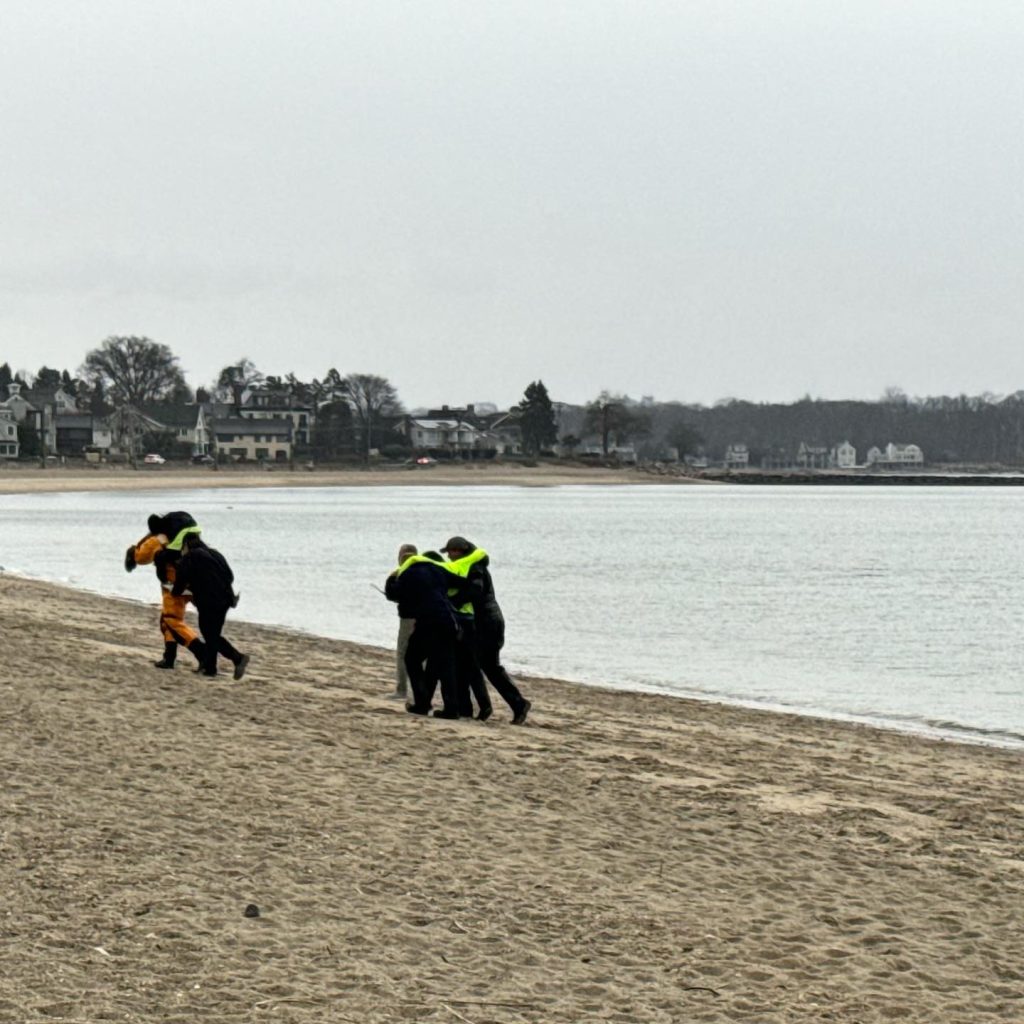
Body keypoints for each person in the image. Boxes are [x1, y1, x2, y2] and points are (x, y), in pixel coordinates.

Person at [441, 536, 531, 725]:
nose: (449, 557)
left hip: (488, 622)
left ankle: (518, 704)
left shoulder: (476, 568)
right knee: (477, 664)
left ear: (459, 551)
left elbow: (475, 591)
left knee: (489, 666)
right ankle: (478, 707)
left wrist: (453, 601)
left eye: (450, 552)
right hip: (486, 621)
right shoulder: (473, 566)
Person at [385, 550, 462, 718]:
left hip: (427, 623)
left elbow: (392, 594)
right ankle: (452, 709)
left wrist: (392, 578)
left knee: (412, 658)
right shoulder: (437, 570)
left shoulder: (408, 573)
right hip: (448, 621)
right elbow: (461, 583)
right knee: (446, 665)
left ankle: (422, 703)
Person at [124, 511, 207, 671]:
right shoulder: (187, 539)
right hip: (193, 582)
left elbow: (140, 557)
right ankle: (169, 657)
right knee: (168, 620)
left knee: (171, 620)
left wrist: (134, 550)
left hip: (173, 585)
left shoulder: (157, 540)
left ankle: (201, 652)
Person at [171, 533, 250, 679]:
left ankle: (238, 658)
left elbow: (180, 582)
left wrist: (175, 591)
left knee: (209, 633)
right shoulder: (215, 554)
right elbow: (230, 576)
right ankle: (210, 668)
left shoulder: (190, 557)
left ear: (186, 545)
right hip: (226, 598)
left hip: (209, 600)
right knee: (212, 633)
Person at [385, 543, 418, 701]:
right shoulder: (426, 570)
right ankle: (420, 691)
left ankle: (402, 690)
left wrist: (392, 577)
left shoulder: (402, 573)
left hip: (408, 618)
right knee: (422, 655)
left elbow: (391, 594)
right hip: (428, 617)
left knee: (403, 653)